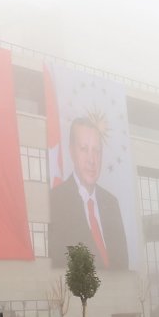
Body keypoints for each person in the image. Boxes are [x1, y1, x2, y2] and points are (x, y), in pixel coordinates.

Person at [47, 116, 129, 270]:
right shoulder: (55, 201)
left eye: (96, 151)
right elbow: (59, 263)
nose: (92, 160)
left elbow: (122, 263)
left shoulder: (111, 203)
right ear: (72, 151)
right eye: (84, 149)